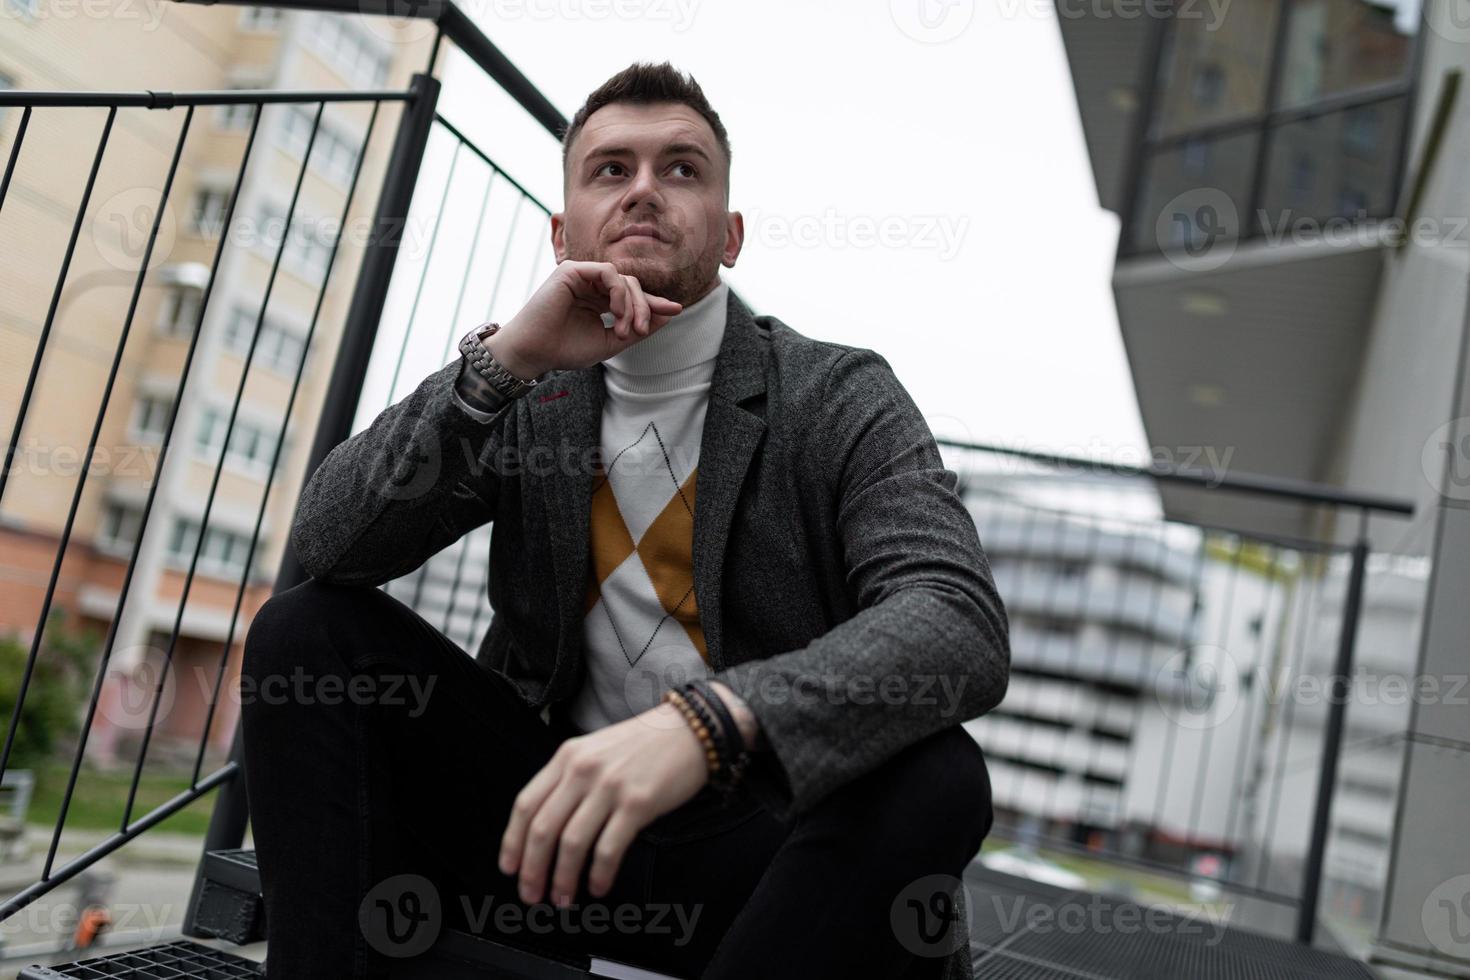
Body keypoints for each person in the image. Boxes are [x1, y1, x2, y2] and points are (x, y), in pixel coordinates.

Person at [241, 60, 1010, 980]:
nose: (644, 189)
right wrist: (501, 364)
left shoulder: (837, 393)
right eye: (611, 169)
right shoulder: (528, 387)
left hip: (763, 857)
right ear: (563, 230)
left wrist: (714, 723)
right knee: (305, 630)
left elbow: (956, 620)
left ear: (729, 235)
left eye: (681, 168)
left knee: (939, 773)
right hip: (556, 842)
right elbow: (330, 543)